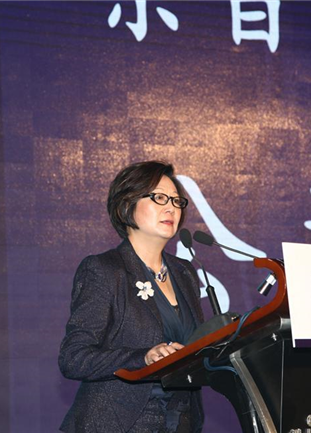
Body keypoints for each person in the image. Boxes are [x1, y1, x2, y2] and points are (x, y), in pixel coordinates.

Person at [59, 161, 204, 432]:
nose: (171, 208)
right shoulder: (104, 270)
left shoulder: (184, 273)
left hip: (178, 422)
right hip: (118, 424)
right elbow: (73, 358)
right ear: (127, 204)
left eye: (176, 200)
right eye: (159, 197)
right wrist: (143, 357)